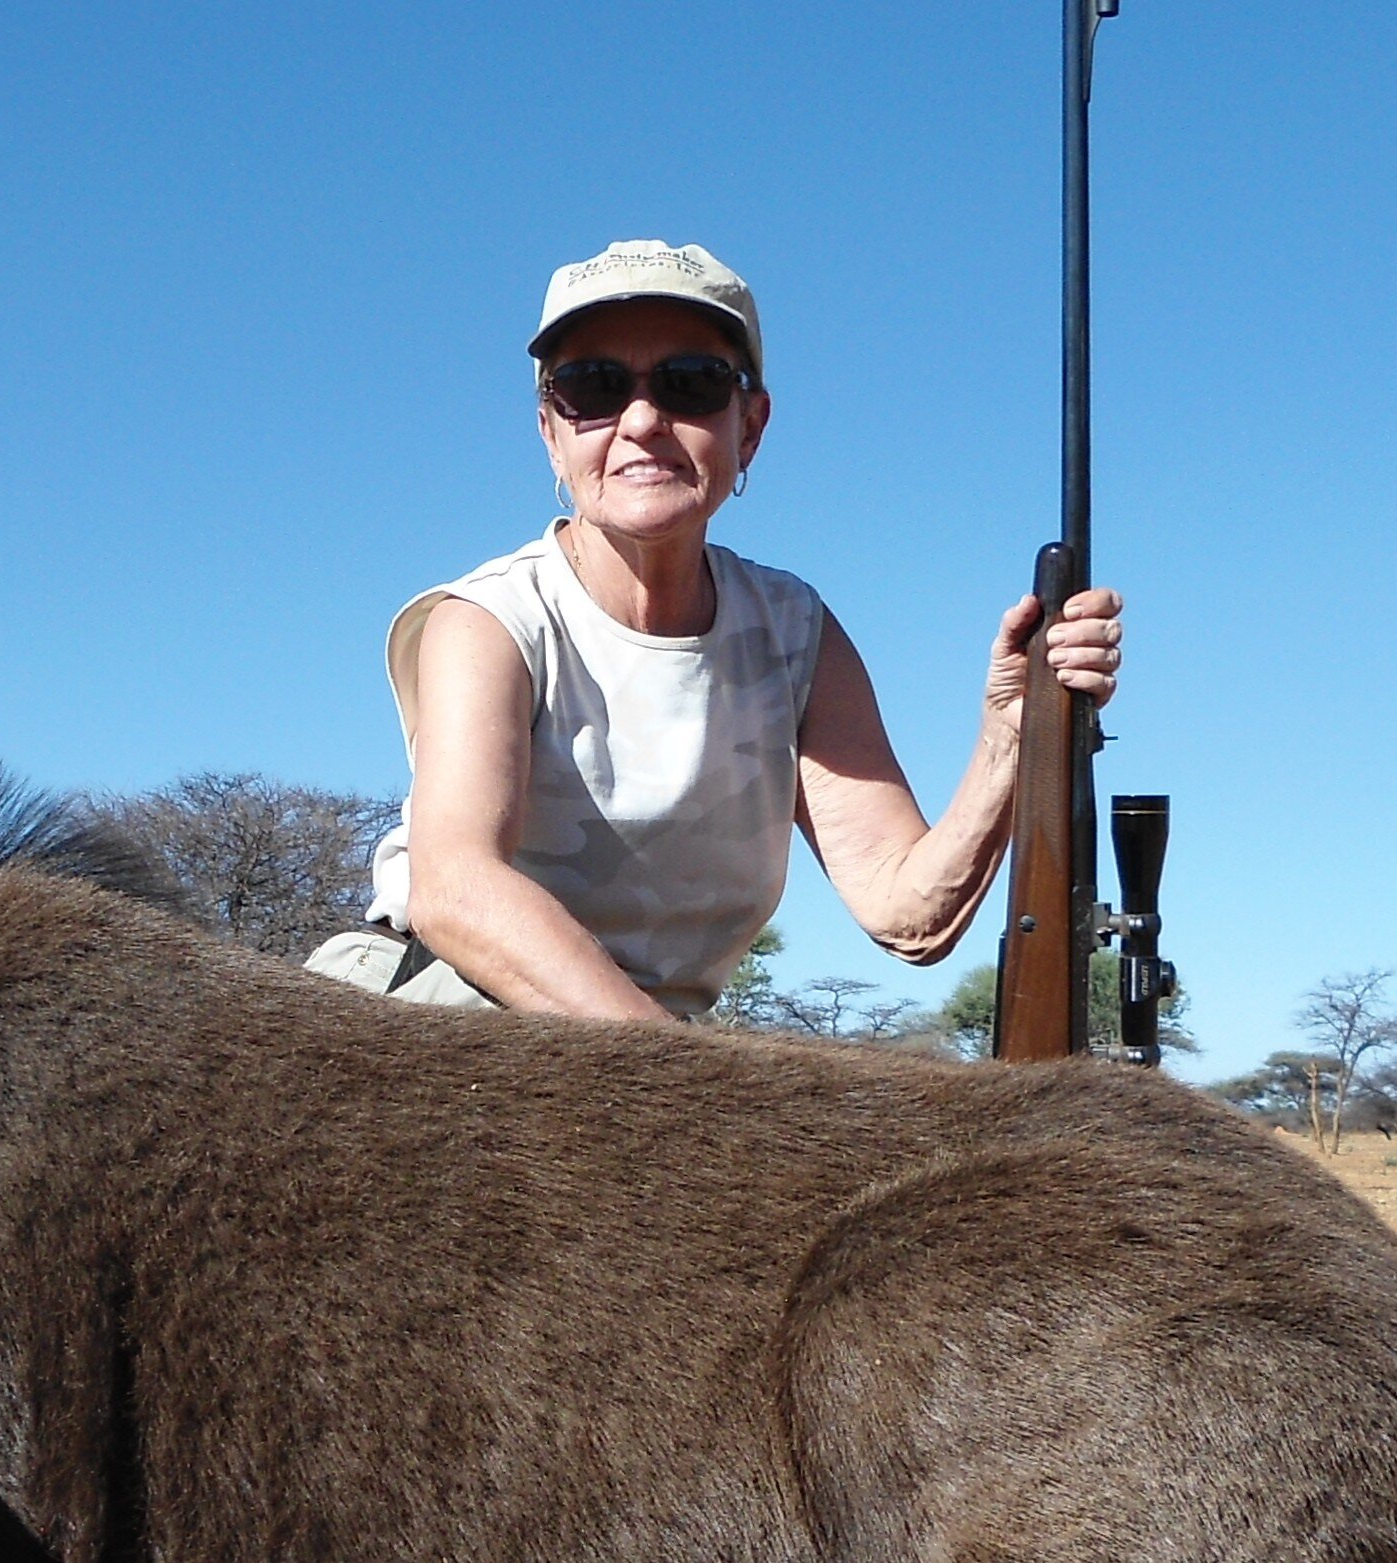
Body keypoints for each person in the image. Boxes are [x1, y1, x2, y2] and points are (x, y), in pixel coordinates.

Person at [309, 239, 1123, 1024]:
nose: (640, 422)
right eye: (591, 388)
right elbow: (455, 892)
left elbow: (908, 914)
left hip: (641, 1061)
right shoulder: (488, 620)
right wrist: (689, 1088)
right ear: (550, 433)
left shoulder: (794, 629)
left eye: (690, 384)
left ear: (751, 427)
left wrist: (1011, 739)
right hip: (436, 1012)